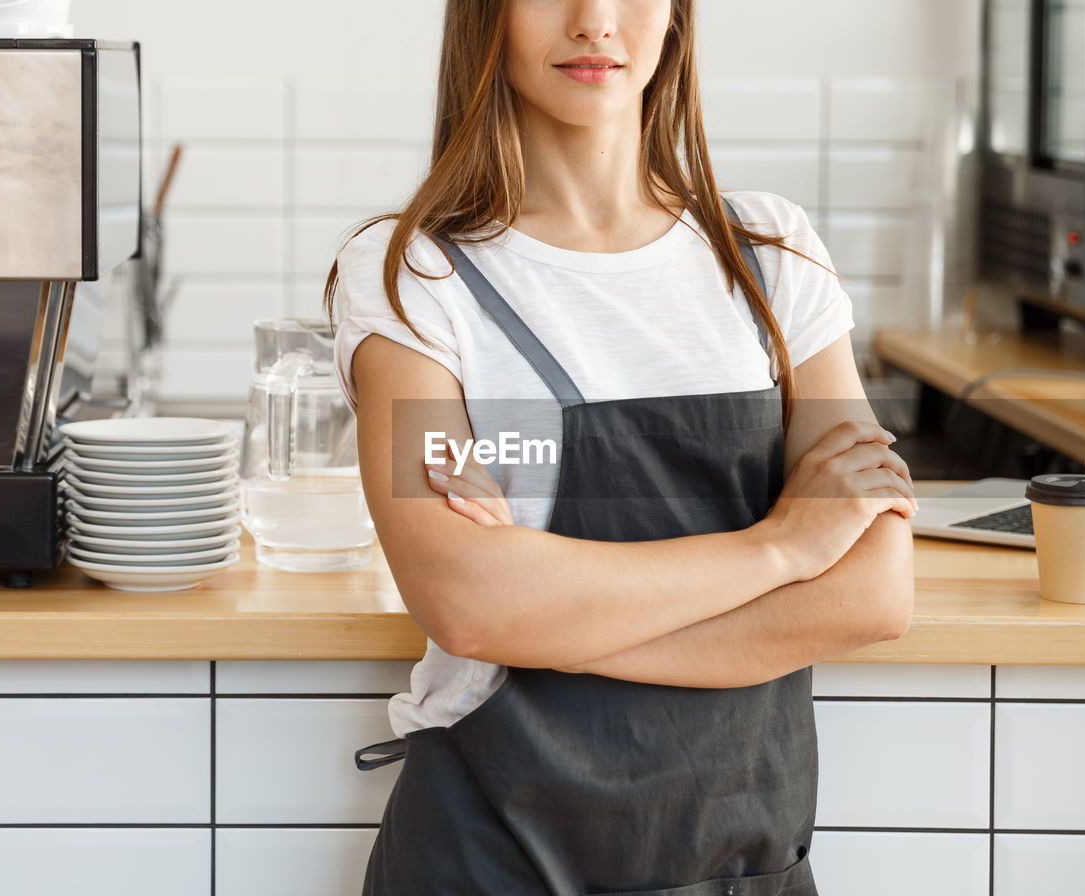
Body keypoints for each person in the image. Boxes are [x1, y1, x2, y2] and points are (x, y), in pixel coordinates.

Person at [325, 1, 917, 893]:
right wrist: (783, 546)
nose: (595, 20)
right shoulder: (413, 273)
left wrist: (541, 618)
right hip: (488, 862)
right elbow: (464, 596)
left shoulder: (772, 256)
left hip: (742, 867)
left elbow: (870, 594)